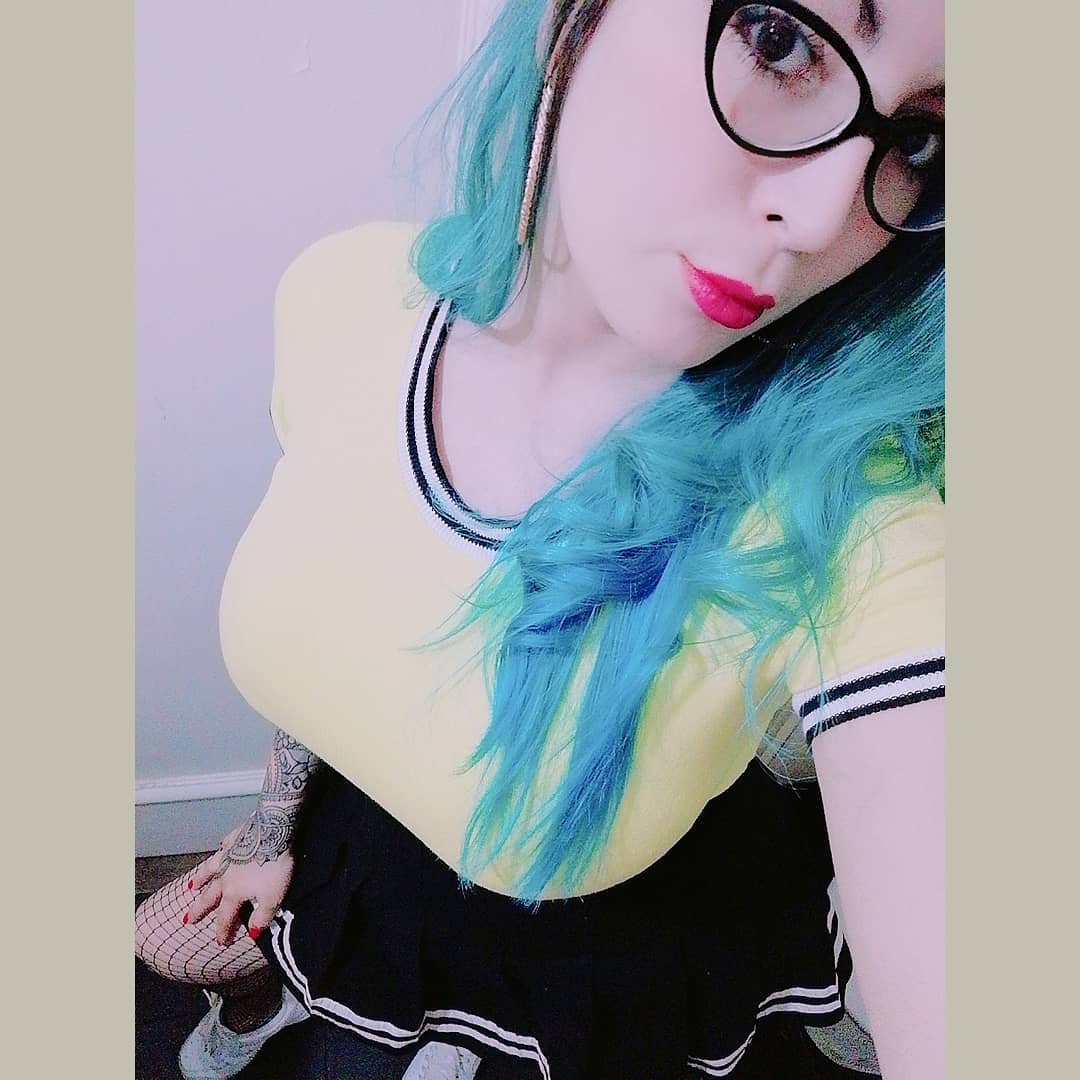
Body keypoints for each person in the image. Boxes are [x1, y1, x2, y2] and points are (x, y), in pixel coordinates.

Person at [135, 1, 945, 1078]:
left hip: (617, 943)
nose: (818, 214)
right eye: (780, 40)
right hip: (361, 855)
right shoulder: (347, 294)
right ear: (574, 18)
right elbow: (337, 602)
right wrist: (270, 830)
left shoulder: (853, 507)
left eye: (919, 142)